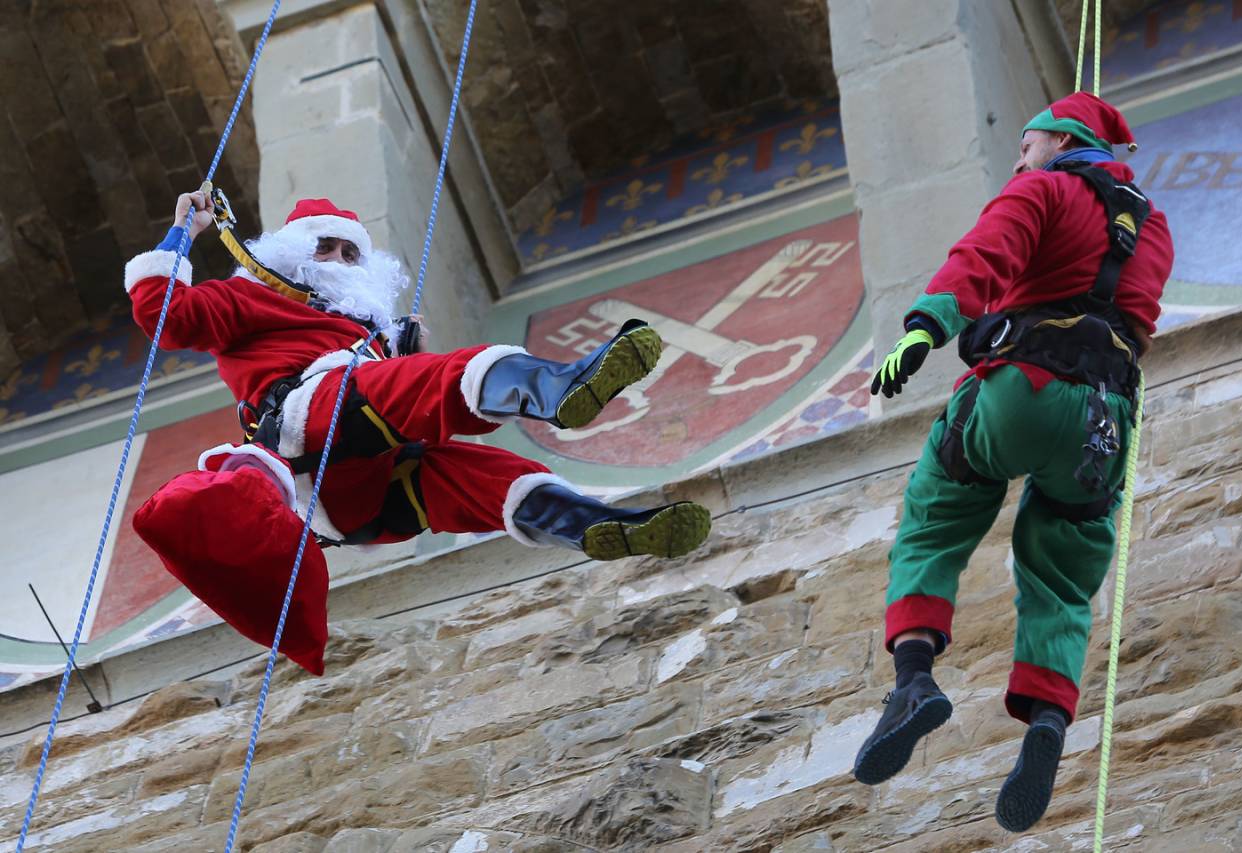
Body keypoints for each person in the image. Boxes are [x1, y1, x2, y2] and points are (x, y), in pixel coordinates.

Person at [125, 192, 711, 673]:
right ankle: (559, 388)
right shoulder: (251, 297)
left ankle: (593, 526)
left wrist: (396, 349)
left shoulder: (369, 333)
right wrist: (183, 232)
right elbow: (165, 314)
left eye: (348, 250)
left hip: (357, 496)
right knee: (434, 380)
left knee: (480, 476)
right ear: (289, 254)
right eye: (321, 245)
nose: (336, 256)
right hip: (308, 427)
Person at [851, 92, 1174, 832]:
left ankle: (913, 680)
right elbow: (1142, 326)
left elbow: (983, 254)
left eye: (1024, 142)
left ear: (1059, 141)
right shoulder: (1154, 229)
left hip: (1021, 387)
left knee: (935, 514)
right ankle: (1047, 723)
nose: (1015, 156)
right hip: (1101, 422)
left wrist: (924, 328)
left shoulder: (1044, 188)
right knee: (1062, 570)